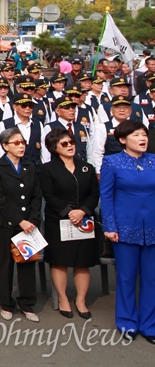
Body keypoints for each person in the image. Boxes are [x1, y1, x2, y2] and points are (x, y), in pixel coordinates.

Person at [100, 120, 155, 343]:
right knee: (126, 278)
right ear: (123, 140)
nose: (142, 139)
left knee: (151, 280)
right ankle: (127, 322)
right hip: (124, 229)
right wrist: (110, 226)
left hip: (152, 227)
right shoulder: (112, 162)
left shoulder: (153, 161)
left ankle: (150, 325)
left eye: (144, 135)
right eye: (136, 135)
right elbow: (106, 196)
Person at [39, 127, 99, 320]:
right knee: (60, 260)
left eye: (71, 142)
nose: (70, 146)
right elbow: (49, 195)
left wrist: (83, 211)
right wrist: (68, 212)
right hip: (59, 219)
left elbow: (94, 194)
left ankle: (80, 300)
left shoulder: (86, 167)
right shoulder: (48, 169)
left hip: (83, 219)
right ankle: (63, 298)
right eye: (64, 144)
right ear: (55, 148)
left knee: (83, 262)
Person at [0, 127, 43, 322]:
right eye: (16, 143)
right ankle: (6, 302)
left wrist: (33, 220)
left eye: (23, 142)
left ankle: (27, 303)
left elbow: (37, 196)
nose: (21, 146)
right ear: (5, 146)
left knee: (27, 262)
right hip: (6, 223)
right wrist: (19, 221)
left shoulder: (30, 166)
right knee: (6, 263)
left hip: (29, 224)